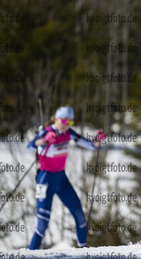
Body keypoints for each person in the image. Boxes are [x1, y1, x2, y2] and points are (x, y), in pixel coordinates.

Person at [26, 106, 106, 250]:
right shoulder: (46, 132)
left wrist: (97, 140)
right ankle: (30, 257)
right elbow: (30, 146)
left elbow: (90, 145)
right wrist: (44, 140)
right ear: (56, 118)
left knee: (80, 217)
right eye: (64, 120)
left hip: (62, 180)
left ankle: (84, 253)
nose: (67, 124)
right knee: (42, 225)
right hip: (45, 180)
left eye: (70, 122)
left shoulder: (68, 133)